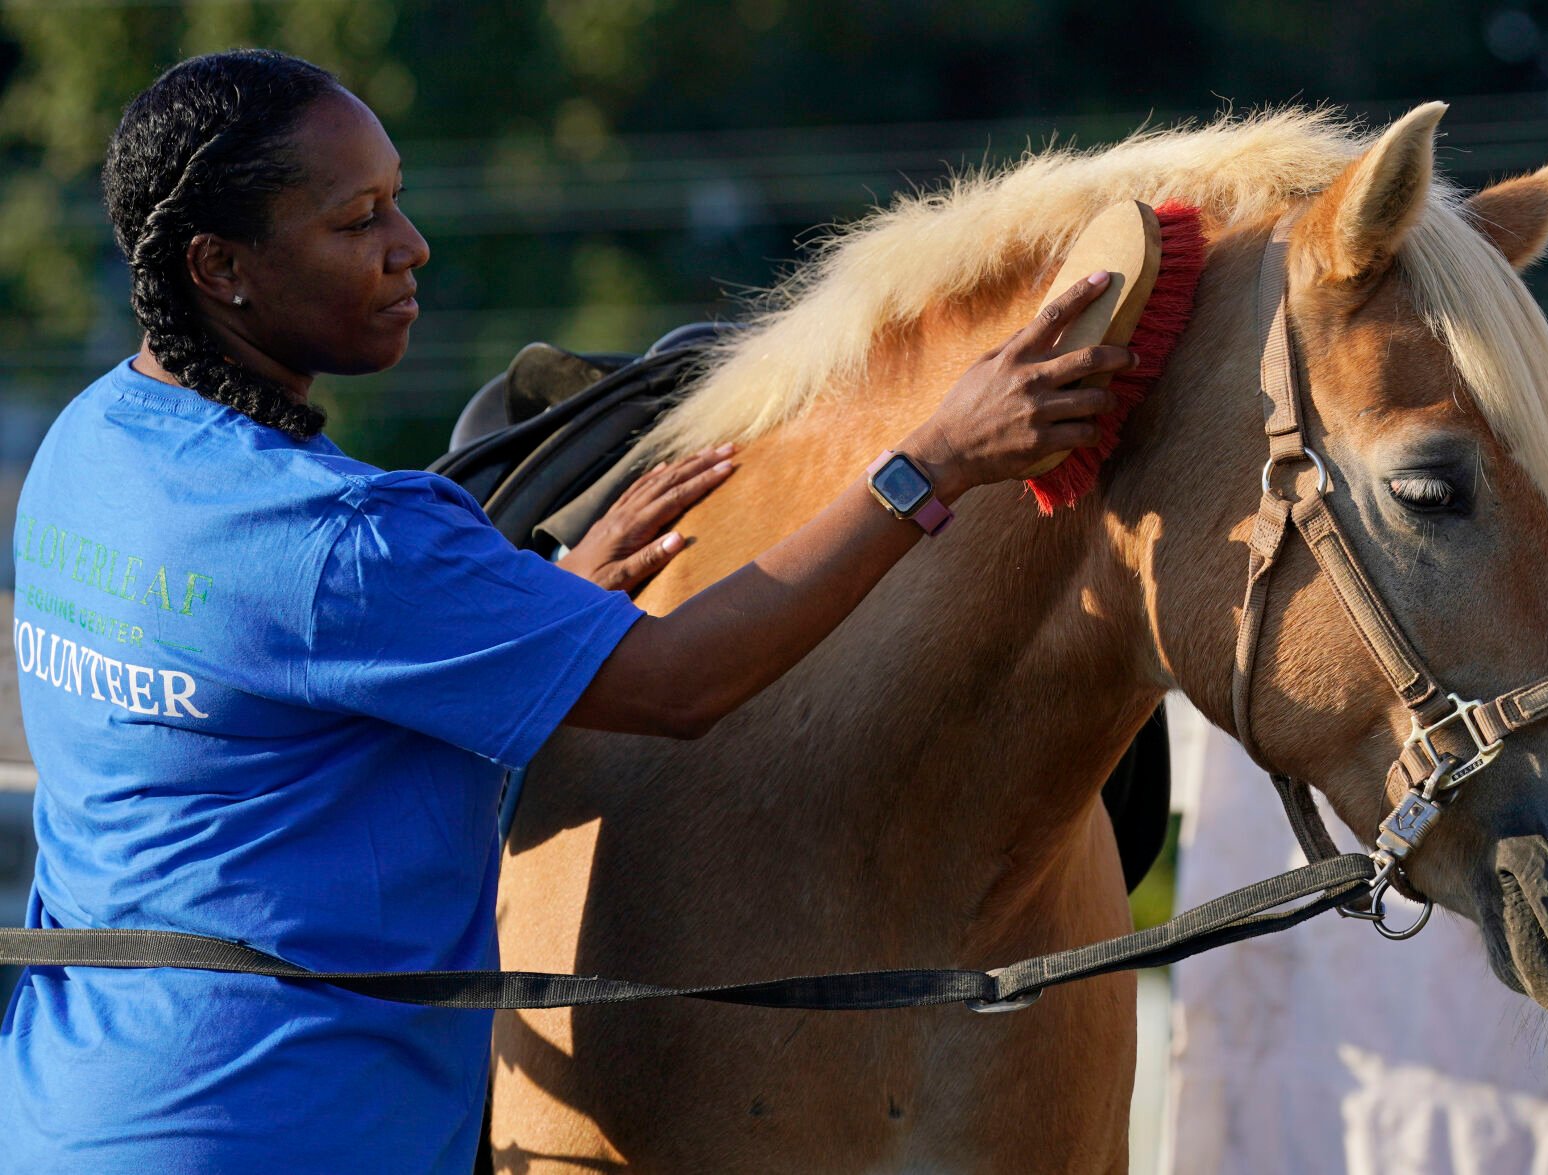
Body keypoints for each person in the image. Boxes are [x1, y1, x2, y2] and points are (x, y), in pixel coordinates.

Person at [0, 49, 1132, 1171]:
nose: (410, 246)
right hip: (284, 1128)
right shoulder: (348, 540)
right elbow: (681, 683)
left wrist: (528, 626)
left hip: (67, 1109)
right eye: (356, 222)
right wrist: (931, 459)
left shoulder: (90, 445)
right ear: (220, 265)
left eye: (398, 199)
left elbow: (269, 702)